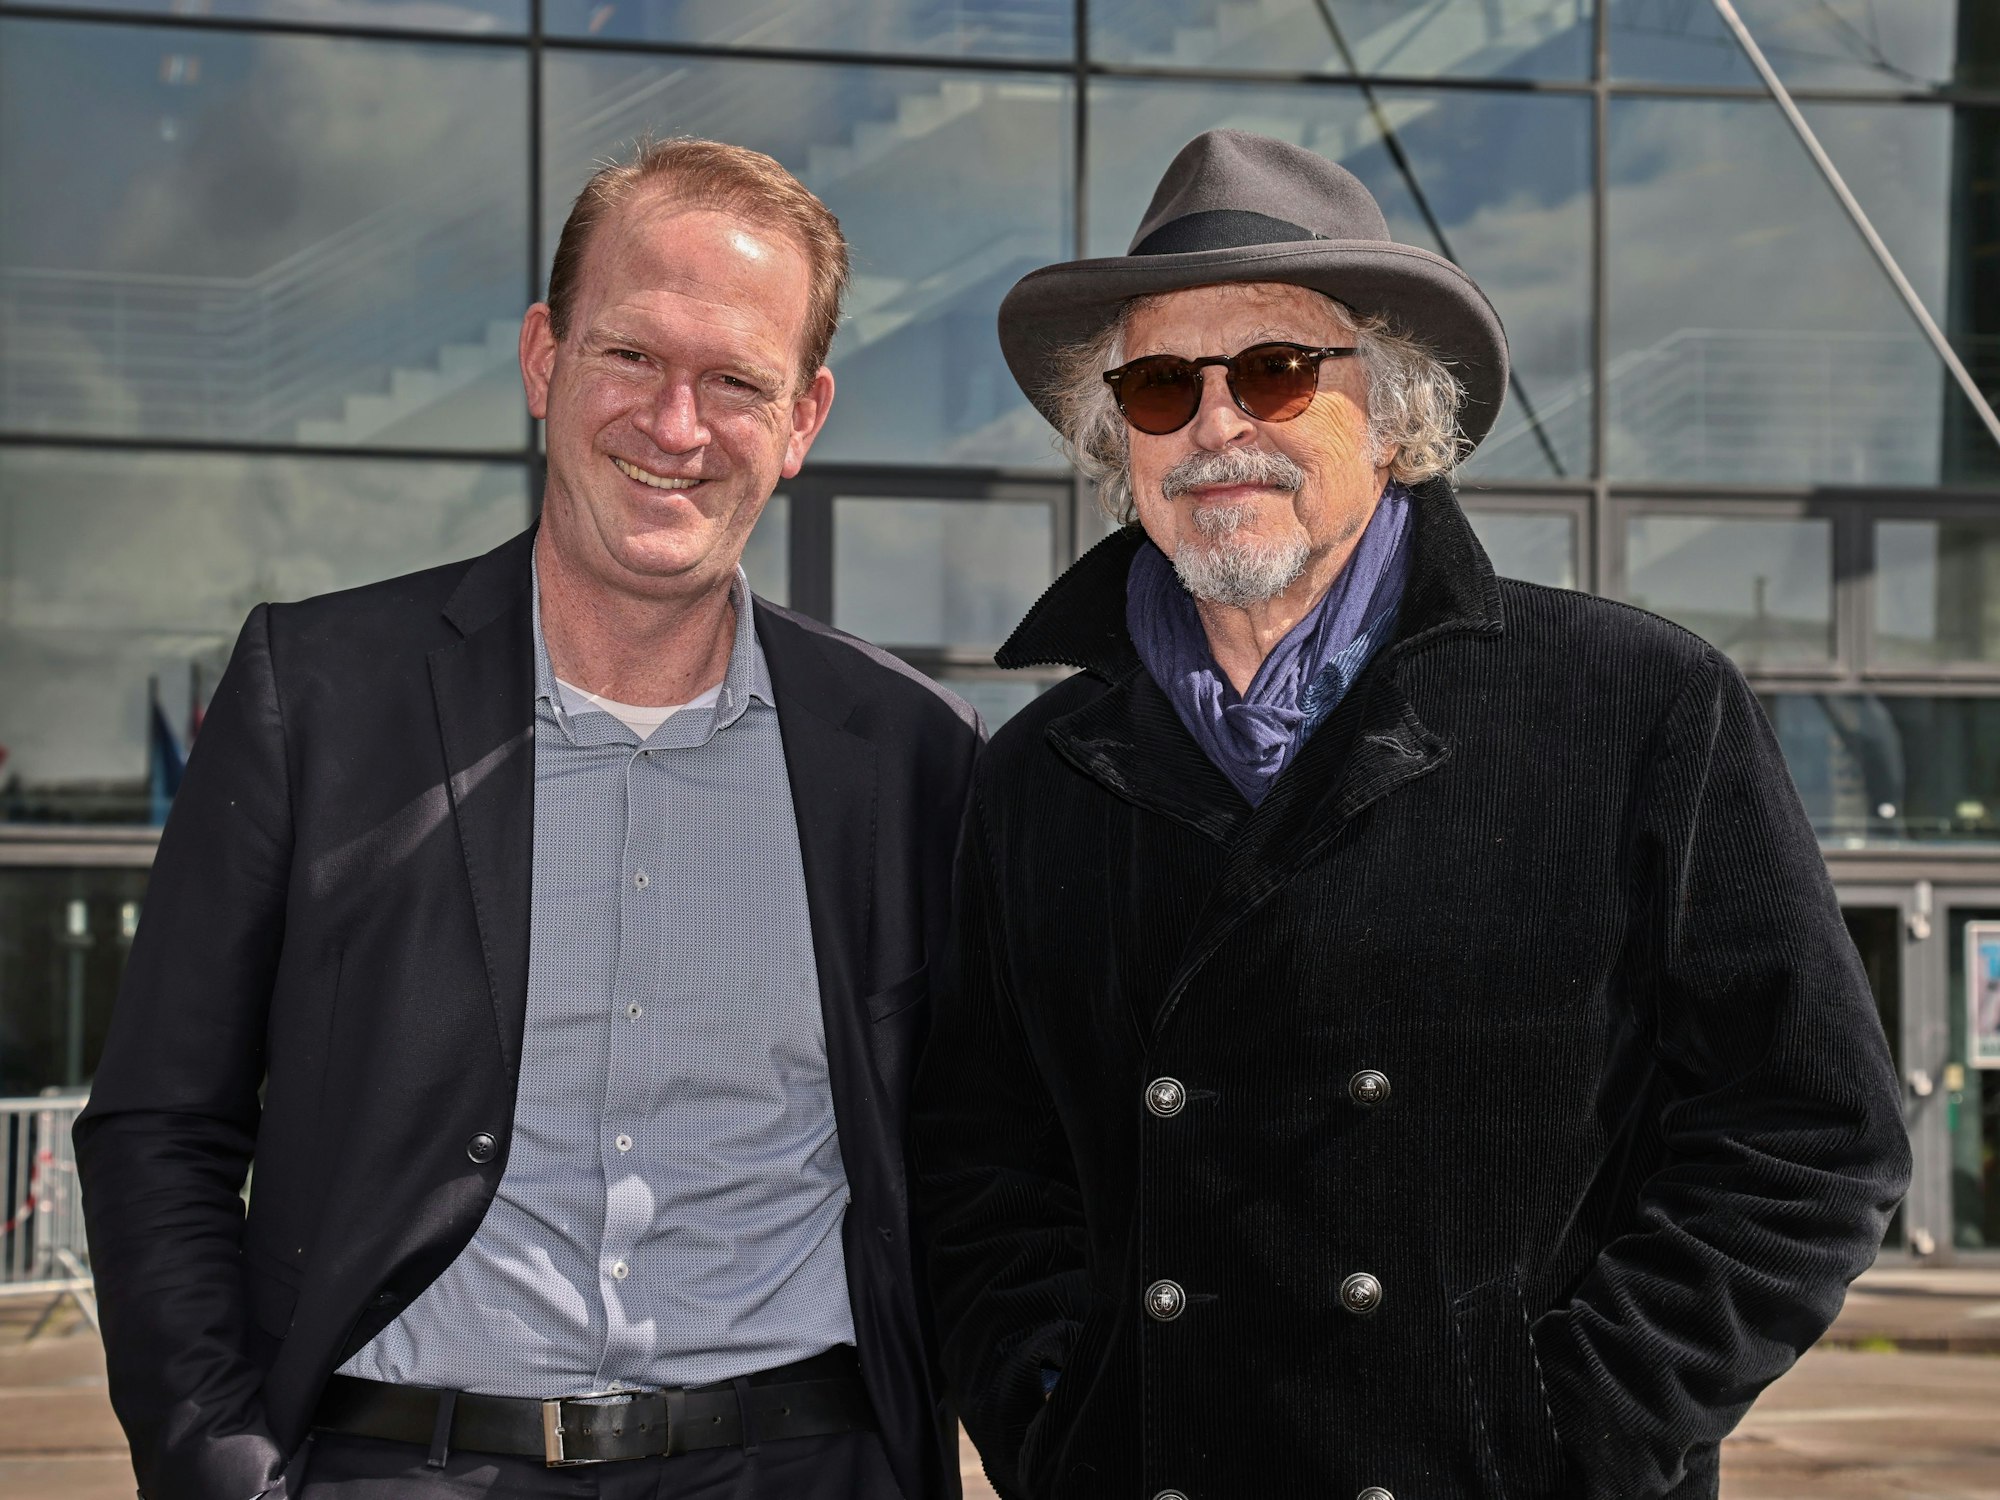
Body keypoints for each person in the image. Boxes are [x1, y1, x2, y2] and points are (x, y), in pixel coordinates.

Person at [912, 129, 1910, 1500]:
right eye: (1157, 386)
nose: (1217, 427)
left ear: (1390, 413)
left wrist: (1569, 1431)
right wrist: (1054, 1417)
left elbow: (1808, 1136)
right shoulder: (1034, 776)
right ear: (1117, 443)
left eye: (1273, 370)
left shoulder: (1637, 706)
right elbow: (979, 1163)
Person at [76, 137, 978, 1500]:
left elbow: (990, 1160)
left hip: (804, 1464)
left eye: (736, 380)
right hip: (398, 1464)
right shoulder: (316, 698)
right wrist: (218, 1463)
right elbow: (162, 1125)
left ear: (803, 421)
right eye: (632, 358)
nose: (677, 427)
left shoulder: (910, 756)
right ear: (545, 361)